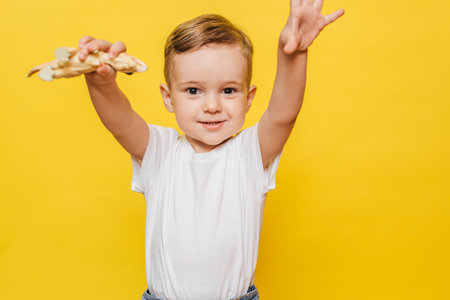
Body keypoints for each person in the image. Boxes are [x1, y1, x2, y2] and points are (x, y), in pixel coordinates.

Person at [77, 1, 344, 299]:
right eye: (193, 91)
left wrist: (292, 51)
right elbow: (120, 121)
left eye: (228, 90)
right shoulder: (160, 151)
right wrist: (100, 80)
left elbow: (283, 114)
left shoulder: (249, 154)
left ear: (248, 98)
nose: (213, 105)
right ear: (168, 98)